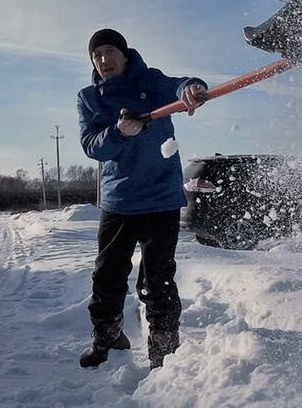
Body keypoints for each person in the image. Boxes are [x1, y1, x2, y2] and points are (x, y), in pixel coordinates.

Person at [76, 28, 207, 369]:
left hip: (161, 201)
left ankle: (163, 352)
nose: (103, 60)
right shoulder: (89, 97)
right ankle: (107, 338)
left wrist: (192, 89)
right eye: (97, 54)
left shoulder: (150, 80)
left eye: (109, 52)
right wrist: (118, 133)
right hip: (119, 203)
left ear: (124, 53)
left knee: (158, 280)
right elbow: (91, 145)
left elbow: (181, 85)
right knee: (107, 277)